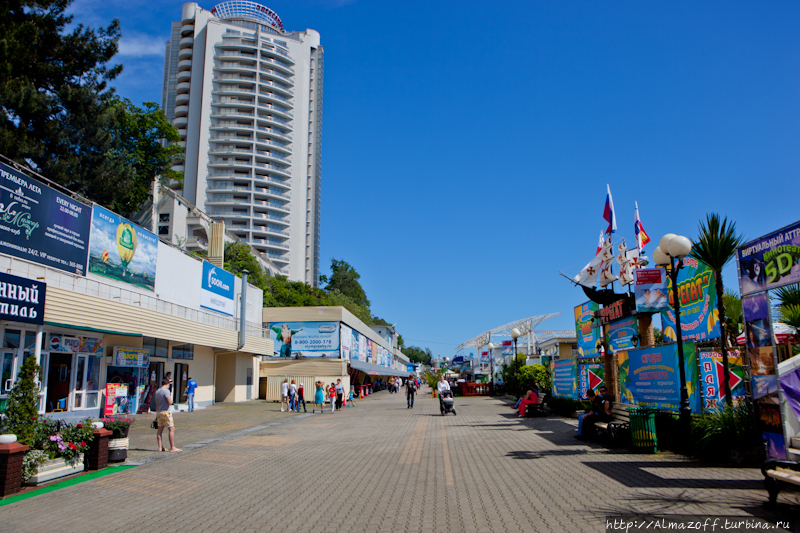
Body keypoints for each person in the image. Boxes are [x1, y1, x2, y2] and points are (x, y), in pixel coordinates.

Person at [155, 377, 181, 452]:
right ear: (167, 384)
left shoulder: (157, 391)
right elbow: (169, 402)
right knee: (171, 429)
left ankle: (160, 447)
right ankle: (172, 447)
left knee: (160, 430)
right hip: (166, 411)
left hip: (159, 412)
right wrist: (172, 400)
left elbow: (156, 404)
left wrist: (156, 414)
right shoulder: (166, 391)